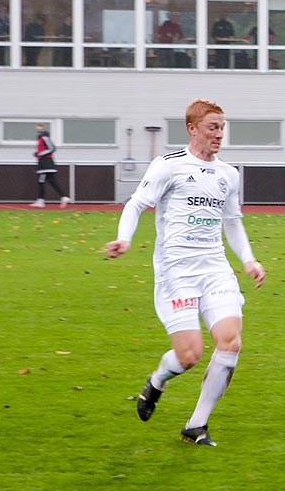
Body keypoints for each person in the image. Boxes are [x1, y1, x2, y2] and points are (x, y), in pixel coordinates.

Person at [105, 98, 266, 447]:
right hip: (176, 272)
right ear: (192, 129)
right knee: (189, 355)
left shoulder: (228, 174)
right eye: (212, 127)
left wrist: (249, 260)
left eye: (222, 127)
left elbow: (233, 221)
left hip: (215, 269)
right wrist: (123, 239)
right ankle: (158, 379)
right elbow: (136, 204)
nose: (219, 134)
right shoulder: (168, 166)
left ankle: (197, 425)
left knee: (231, 341)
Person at [31, 123, 71, 208]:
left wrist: (40, 154)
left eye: (39, 128)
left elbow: (52, 148)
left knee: (41, 181)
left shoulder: (44, 137)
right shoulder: (40, 139)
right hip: (44, 163)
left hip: (46, 164)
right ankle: (63, 197)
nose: (38, 130)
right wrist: (38, 154)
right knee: (52, 181)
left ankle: (41, 201)